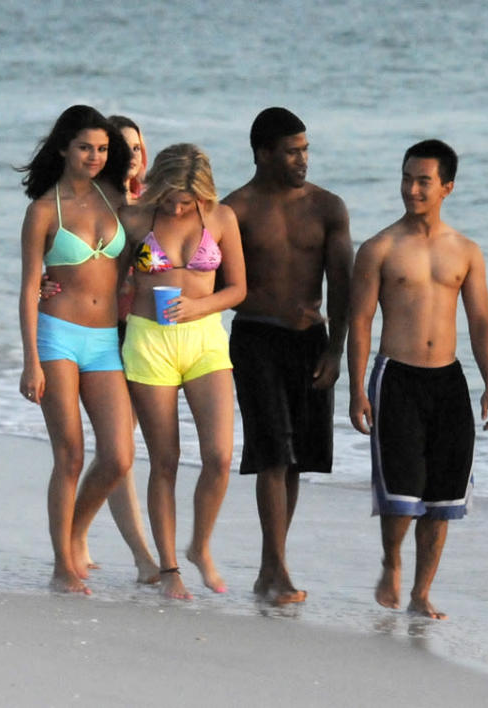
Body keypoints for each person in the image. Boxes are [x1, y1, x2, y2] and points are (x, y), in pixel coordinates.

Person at [348, 139, 488, 620]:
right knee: (402, 492)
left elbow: (480, 322)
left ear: (447, 188)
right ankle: (391, 563)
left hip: (449, 380)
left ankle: (421, 592)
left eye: (423, 181)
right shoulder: (380, 248)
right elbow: (359, 321)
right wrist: (356, 388)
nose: (412, 189)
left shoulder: (466, 251)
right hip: (397, 377)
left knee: (443, 497)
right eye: (407, 178)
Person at [223, 107, 352, 604]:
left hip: (309, 341)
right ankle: (277, 571)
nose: (303, 159)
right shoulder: (235, 210)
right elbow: (204, 273)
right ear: (263, 153)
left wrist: (337, 350)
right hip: (255, 337)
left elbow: (343, 284)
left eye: (306, 150)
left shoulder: (328, 207)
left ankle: (267, 569)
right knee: (272, 452)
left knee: (295, 458)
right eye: (292, 151)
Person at [119, 143, 246, 599]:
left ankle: (201, 547)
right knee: (165, 461)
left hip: (206, 341)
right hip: (149, 343)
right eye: (170, 197)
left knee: (220, 457)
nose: (176, 207)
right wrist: (45, 286)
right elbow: (106, 279)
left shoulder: (222, 219)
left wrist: (198, 305)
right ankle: (170, 567)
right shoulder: (135, 219)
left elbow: (237, 289)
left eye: (185, 200)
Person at [18, 105, 134, 594]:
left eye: (103, 149)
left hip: (105, 340)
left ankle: (72, 533)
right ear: (64, 147)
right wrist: (30, 362)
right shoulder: (44, 210)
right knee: (70, 454)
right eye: (85, 146)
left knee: (119, 457)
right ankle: (62, 564)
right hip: (57, 337)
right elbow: (28, 288)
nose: (94, 156)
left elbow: (156, 248)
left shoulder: (116, 199)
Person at [44, 114, 160, 584]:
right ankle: (138, 555)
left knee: (122, 451)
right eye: (120, 148)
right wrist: (41, 285)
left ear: (144, 155)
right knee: (95, 450)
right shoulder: (94, 203)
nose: (127, 157)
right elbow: (49, 262)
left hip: (147, 334)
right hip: (98, 332)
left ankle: (77, 535)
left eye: (134, 148)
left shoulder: (154, 206)